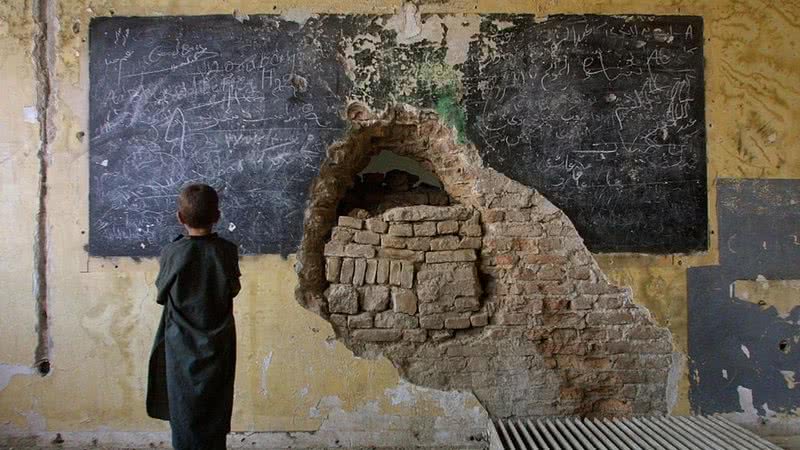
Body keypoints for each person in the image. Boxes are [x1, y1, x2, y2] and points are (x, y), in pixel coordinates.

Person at [146, 183, 241, 450]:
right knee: (215, 403)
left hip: (180, 343)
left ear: (180, 218)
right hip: (219, 342)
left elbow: (161, 294)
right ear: (217, 216)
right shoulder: (226, 251)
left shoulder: (172, 253)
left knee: (183, 405)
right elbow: (233, 288)